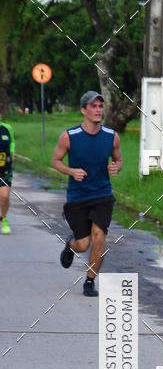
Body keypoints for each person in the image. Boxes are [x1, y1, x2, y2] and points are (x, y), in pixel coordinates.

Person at [51, 91, 122, 296]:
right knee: (83, 244)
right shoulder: (69, 137)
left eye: (100, 106)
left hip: (102, 195)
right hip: (77, 197)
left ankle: (90, 281)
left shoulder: (111, 137)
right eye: (94, 106)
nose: (98, 110)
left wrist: (116, 167)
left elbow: (119, 160)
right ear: (84, 110)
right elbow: (55, 161)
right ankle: (71, 246)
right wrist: (71, 171)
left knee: (99, 238)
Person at [0, 113, 15, 234]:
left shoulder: (6, 128)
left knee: (5, 196)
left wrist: (12, 152)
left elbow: (12, 141)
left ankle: (3, 219)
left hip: (5, 168)